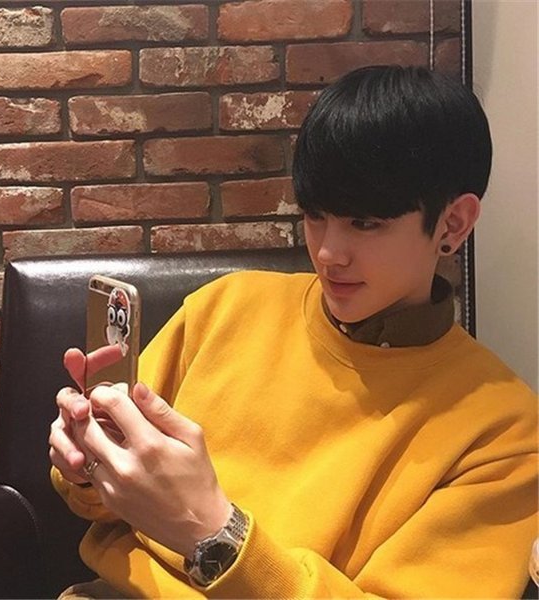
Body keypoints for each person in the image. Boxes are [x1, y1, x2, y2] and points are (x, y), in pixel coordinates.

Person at [49, 65, 538, 599]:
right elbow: (95, 499)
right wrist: (89, 462)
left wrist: (213, 533)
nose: (328, 252)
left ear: (453, 223)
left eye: (365, 223)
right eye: (315, 215)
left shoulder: (503, 432)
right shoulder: (226, 307)